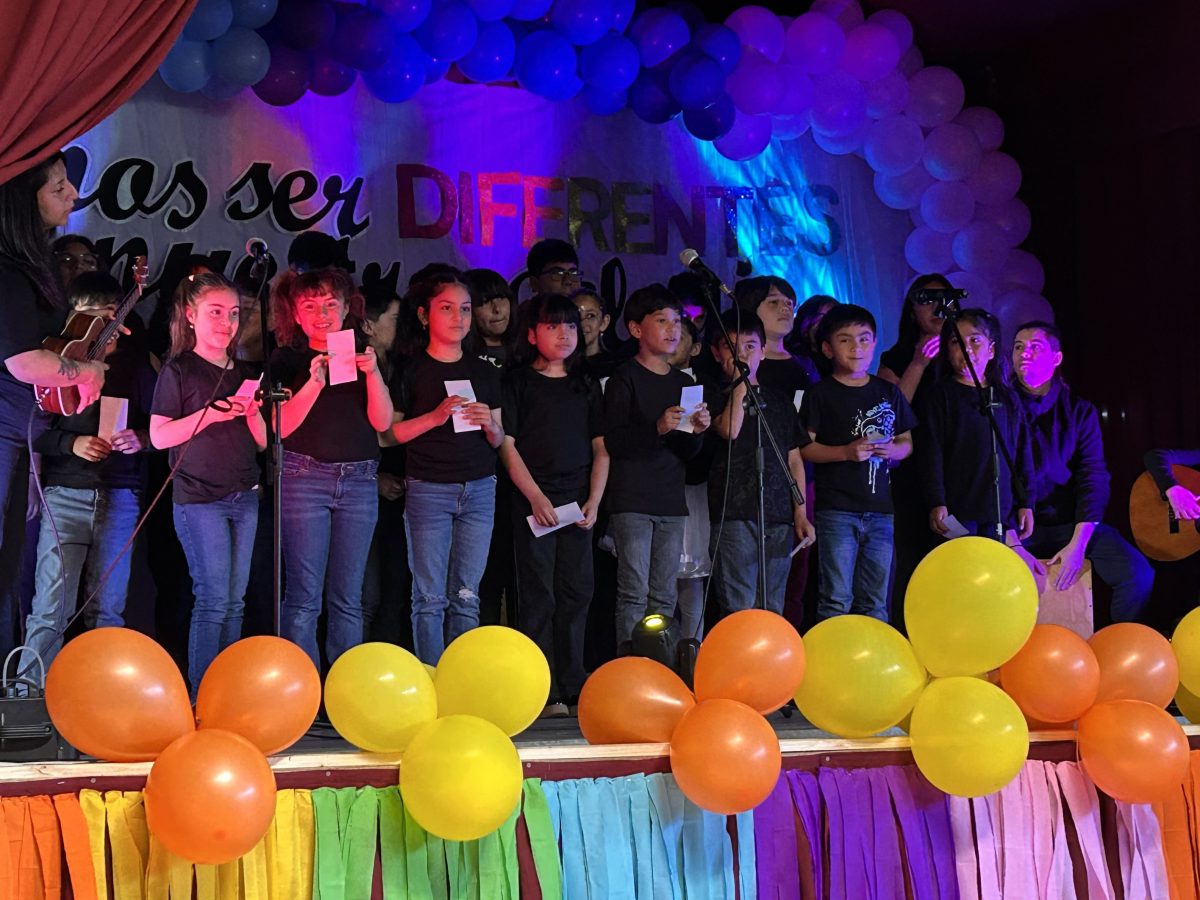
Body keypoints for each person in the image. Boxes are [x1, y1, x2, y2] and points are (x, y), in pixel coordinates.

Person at [19, 273, 156, 673]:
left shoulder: (136, 366)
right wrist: (72, 443)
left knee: (108, 609)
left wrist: (141, 438)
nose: (103, 324)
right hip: (65, 493)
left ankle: (102, 694)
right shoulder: (55, 364)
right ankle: (32, 692)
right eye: (92, 315)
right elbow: (30, 431)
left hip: (120, 494)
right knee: (51, 607)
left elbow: (161, 424)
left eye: (110, 314)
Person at [0, 152, 107, 658]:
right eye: (58, 186)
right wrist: (87, 371)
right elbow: (24, 361)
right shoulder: (8, 271)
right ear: (25, 200)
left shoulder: (29, 265)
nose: (72, 194)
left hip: (17, 435)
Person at [149, 273, 266, 696]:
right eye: (215, 312)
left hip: (244, 495)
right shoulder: (179, 370)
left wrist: (253, 413)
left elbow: (263, 442)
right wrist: (210, 415)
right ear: (190, 315)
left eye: (233, 314)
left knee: (235, 602)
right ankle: (202, 694)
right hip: (200, 498)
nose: (226, 323)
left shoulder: (247, 372)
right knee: (214, 598)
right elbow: (159, 436)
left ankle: (226, 691)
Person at [271, 268, 393, 672]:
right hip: (304, 477)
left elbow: (382, 422)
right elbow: (280, 427)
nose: (321, 314)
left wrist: (372, 373)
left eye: (329, 304)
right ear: (296, 313)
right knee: (304, 596)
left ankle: (344, 687)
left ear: (345, 309)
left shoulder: (363, 353)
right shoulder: (286, 358)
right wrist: (313, 383)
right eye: (310, 306)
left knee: (348, 597)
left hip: (358, 480)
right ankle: (302, 688)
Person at [500, 294, 608, 717]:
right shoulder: (518, 382)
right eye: (552, 326)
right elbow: (507, 445)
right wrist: (535, 496)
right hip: (534, 498)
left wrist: (594, 501)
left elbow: (601, 448)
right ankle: (540, 688)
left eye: (570, 326)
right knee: (538, 594)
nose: (564, 334)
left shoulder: (586, 384)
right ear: (531, 334)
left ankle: (573, 682)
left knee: (577, 590)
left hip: (578, 499)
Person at [389, 275, 504, 664]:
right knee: (429, 597)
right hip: (429, 488)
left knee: (467, 596)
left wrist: (490, 425)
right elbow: (389, 434)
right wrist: (435, 417)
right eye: (447, 308)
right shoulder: (411, 369)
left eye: (465, 309)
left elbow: (499, 437)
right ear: (424, 316)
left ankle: (461, 678)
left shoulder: (484, 370)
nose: (459, 317)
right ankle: (432, 677)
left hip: (479, 487)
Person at [1011, 321, 1154, 623]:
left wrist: (1078, 543)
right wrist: (1013, 541)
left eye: (1035, 347)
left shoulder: (1079, 411)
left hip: (1070, 524)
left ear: (1056, 358)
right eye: (1018, 347)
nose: (1024, 353)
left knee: (1137, 574)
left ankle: (1114, 643)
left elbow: (1093, 475)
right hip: (1018, 528)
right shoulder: (999, 407)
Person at [604, 284, 710, 651]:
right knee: (633, 592)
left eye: (677, 321)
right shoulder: (624, 377)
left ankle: (660, 665)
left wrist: (697, 431)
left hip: (671, 501)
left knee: (664, 593)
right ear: (636, 329)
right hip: (632, 500)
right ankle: (631, 665)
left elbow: (689, 451)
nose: (672, 328)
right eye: (662, 320)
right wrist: (657, 428)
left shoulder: (684, 382)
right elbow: (615, 442)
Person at [801, 304, 915, 622]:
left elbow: (907, 442)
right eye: (845, 340)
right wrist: (845, 452)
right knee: (836, 598)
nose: (857, 347)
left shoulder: (888, 392)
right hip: (836, 510)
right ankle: (833, 652)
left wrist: (893, 450)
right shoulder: (820, 394)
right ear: (828, 348)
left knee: (876, 600)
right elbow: (805, 448)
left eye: (864, 339)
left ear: (875, 343)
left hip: (881, 510)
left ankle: (873, 652)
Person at [708, 309, 814, 615]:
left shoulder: (780, 402)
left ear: (763, 351)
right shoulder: (714, 396)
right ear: (717, 353)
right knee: (739, 606)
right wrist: (741, 383)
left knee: (772, 605)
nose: (741, 354)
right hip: (735, 512)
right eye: (731, 347)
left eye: (750, 346)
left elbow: (794, 458)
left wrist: (800, 512)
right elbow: (730, 430)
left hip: (778, 513)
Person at [918, 309, 1035, 546]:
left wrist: (1026, 502)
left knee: (996, 564)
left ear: (991, 350)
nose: (966, 348)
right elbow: (931, 452)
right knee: (964, 561)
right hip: (957, 508)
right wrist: (936, 500)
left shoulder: (1007, 398)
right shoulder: (939, 395)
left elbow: (1021, 452)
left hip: (999, 508)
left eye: (975, 340)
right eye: (956, 342)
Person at [360, 282, 410, 646]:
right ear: (368, 325)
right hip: (362, 488)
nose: (401, 326)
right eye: (394, 318)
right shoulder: (352, 367)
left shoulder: (403, 365)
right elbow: (367, 430)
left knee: (397, 588)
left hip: (402, 492)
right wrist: (374, 479)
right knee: (366, 594)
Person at [732, 275, 813, 399]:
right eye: (774, 302)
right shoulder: (742, 362)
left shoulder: (806, 362)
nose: (785, 308)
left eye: (789, 303)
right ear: (751, 308)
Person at [877, 273, 951, 404]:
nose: (937, 307)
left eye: (944, 300)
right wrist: (918, 364)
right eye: (927, 301)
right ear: (912, 312)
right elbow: (891, 411)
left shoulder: (966, 352)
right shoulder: (894, 359)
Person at [462, 268, 516, 367]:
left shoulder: (526, 350)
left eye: (500, 298)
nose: (497, 309)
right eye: (485, 302)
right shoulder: (462, 359)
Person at [786, 294, 838, 381]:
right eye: (820, 318)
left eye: (833, 317)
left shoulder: (842, 358)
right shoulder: (793, 360)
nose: (828, 323)